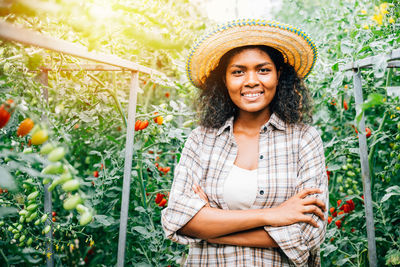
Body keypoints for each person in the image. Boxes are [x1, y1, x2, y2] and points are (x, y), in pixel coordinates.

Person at [161, 19, 328, 266]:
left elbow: (309, 232)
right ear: (224, 80)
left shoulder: (304, 139)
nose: (251, 81)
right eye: (238, 72)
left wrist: (211, 227)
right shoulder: (201, 140)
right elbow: (178, 218)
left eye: (263, 70)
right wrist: (274, 215)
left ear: (279, 75)